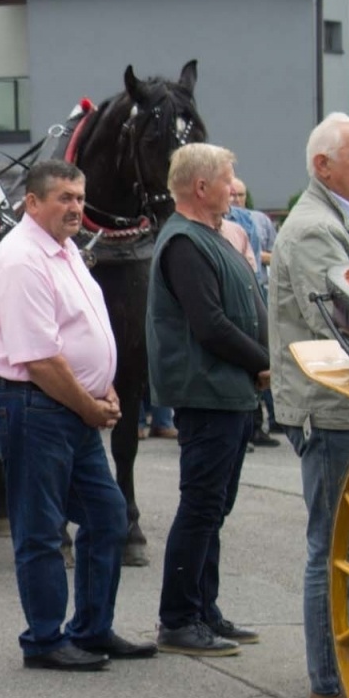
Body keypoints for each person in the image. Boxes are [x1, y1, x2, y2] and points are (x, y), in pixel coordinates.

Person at [0, 160, 156, 671]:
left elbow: (83, 333)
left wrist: (107, 391)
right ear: (32, 203)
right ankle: (44, 640)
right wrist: (91, 404)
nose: (75, 207)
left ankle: (92, 629)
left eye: (79, 197)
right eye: (63, 198)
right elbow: (38, 358)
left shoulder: (65, 251)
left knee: (108, 515)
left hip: (69, 406)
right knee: (40, 528)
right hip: (30, 404)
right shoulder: (21, 260)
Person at [268, 112, 349, 698]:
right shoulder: (315, 229)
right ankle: (332, 682)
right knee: (334, 549)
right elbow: (343, 320)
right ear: (323, 167)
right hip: (336, 408)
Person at [146, 143, 268, 657]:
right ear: (201, 187)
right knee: (200, 507)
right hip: (209, 393)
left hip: (229, 393)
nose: (234, 187)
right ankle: (177, 618)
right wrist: (263, 361)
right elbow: (209, 324)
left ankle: (203, 608)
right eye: (227, 178)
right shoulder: (184, 243)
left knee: (213, 508)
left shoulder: (209, 236)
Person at [228, 176, 281, 448]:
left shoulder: (255, 220)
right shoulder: (222, 223)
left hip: (258, 286)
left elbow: (265, 252)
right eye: (231, 193)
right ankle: (249, 427)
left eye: (240, 194)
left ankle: (259, 426)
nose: (235, 198)